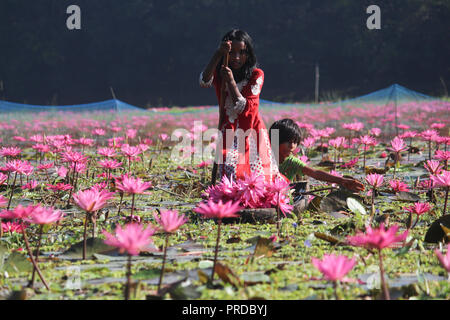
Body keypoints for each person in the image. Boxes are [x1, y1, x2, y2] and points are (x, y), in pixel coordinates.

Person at [200, 29, 278, 182]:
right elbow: (204, 81)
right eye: (232, 53)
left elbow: (245, 107)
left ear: (248, 54)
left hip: (251, 130)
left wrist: (230, 82)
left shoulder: (256, 75)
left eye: (241, 52)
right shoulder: (219, 72)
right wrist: (218, 54)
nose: (236, 57)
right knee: (229, 170)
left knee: (257, 178)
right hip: (228, 129)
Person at [269, 119, 364, 212]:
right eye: (288, 142)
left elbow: (314, 173)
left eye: (295, 142)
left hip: (281, 199)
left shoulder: (292, 162)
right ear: (275, 140)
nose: (292, 146)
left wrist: (342, 181)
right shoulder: (265, 158)